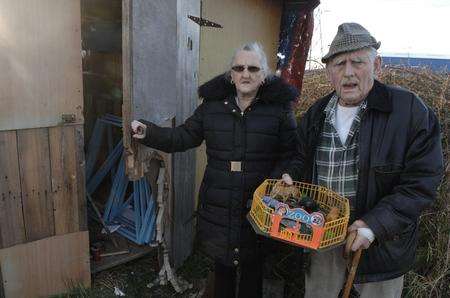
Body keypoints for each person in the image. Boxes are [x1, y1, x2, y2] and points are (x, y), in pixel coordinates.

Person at [282, 23, 444, 297]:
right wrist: (289, 176)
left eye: (358, 62)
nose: (348, 72)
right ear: (328, 72)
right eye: (339, 64)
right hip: (323, 237)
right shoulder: (316, 114)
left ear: (377, 65)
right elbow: (301, 158)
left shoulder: (410, 111)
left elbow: (422, 182)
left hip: (381, 244)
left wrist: (373, 226)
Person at [131, 42, 299, 298]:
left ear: (263, 76)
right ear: (230, 75)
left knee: (253, 268)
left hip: (259, 202)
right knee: (222, 267)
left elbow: (291, 153)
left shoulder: (278, 111)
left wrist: (284, 175)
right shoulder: (212, 108)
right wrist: (149, 132)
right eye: (239, 68)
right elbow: (183, 136)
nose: (245, 74)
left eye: (253, 68)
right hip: (219, 200)